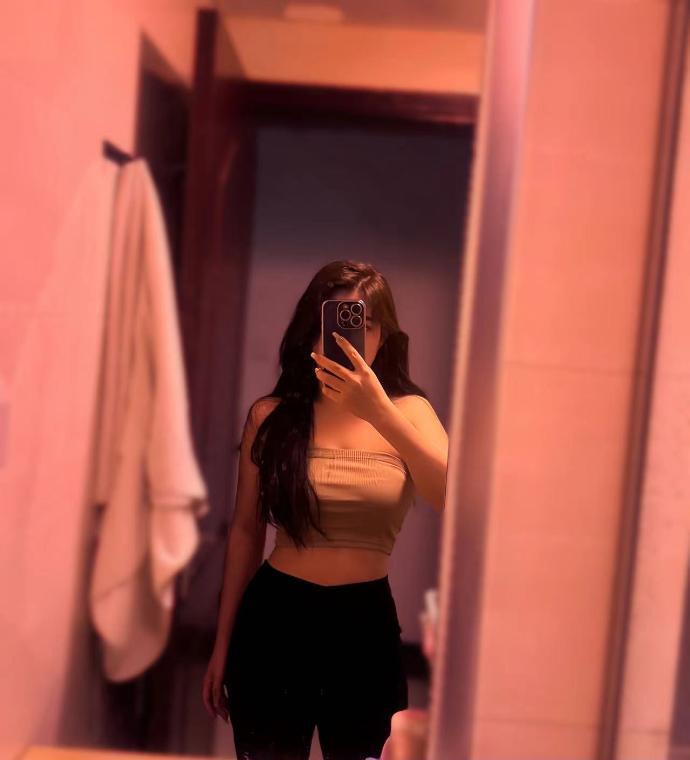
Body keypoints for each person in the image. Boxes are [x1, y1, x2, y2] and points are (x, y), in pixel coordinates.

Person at [201, 260, 449, 760]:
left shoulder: (410, 414)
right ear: (310, 328)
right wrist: (222, 644)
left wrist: (378, 412)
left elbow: (452, 497)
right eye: (332, 318)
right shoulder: (271, 417)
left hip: (365, 625)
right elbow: (246, 532)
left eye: (363, 322)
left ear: (384, 335)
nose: (345, 335)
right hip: (276, 619)